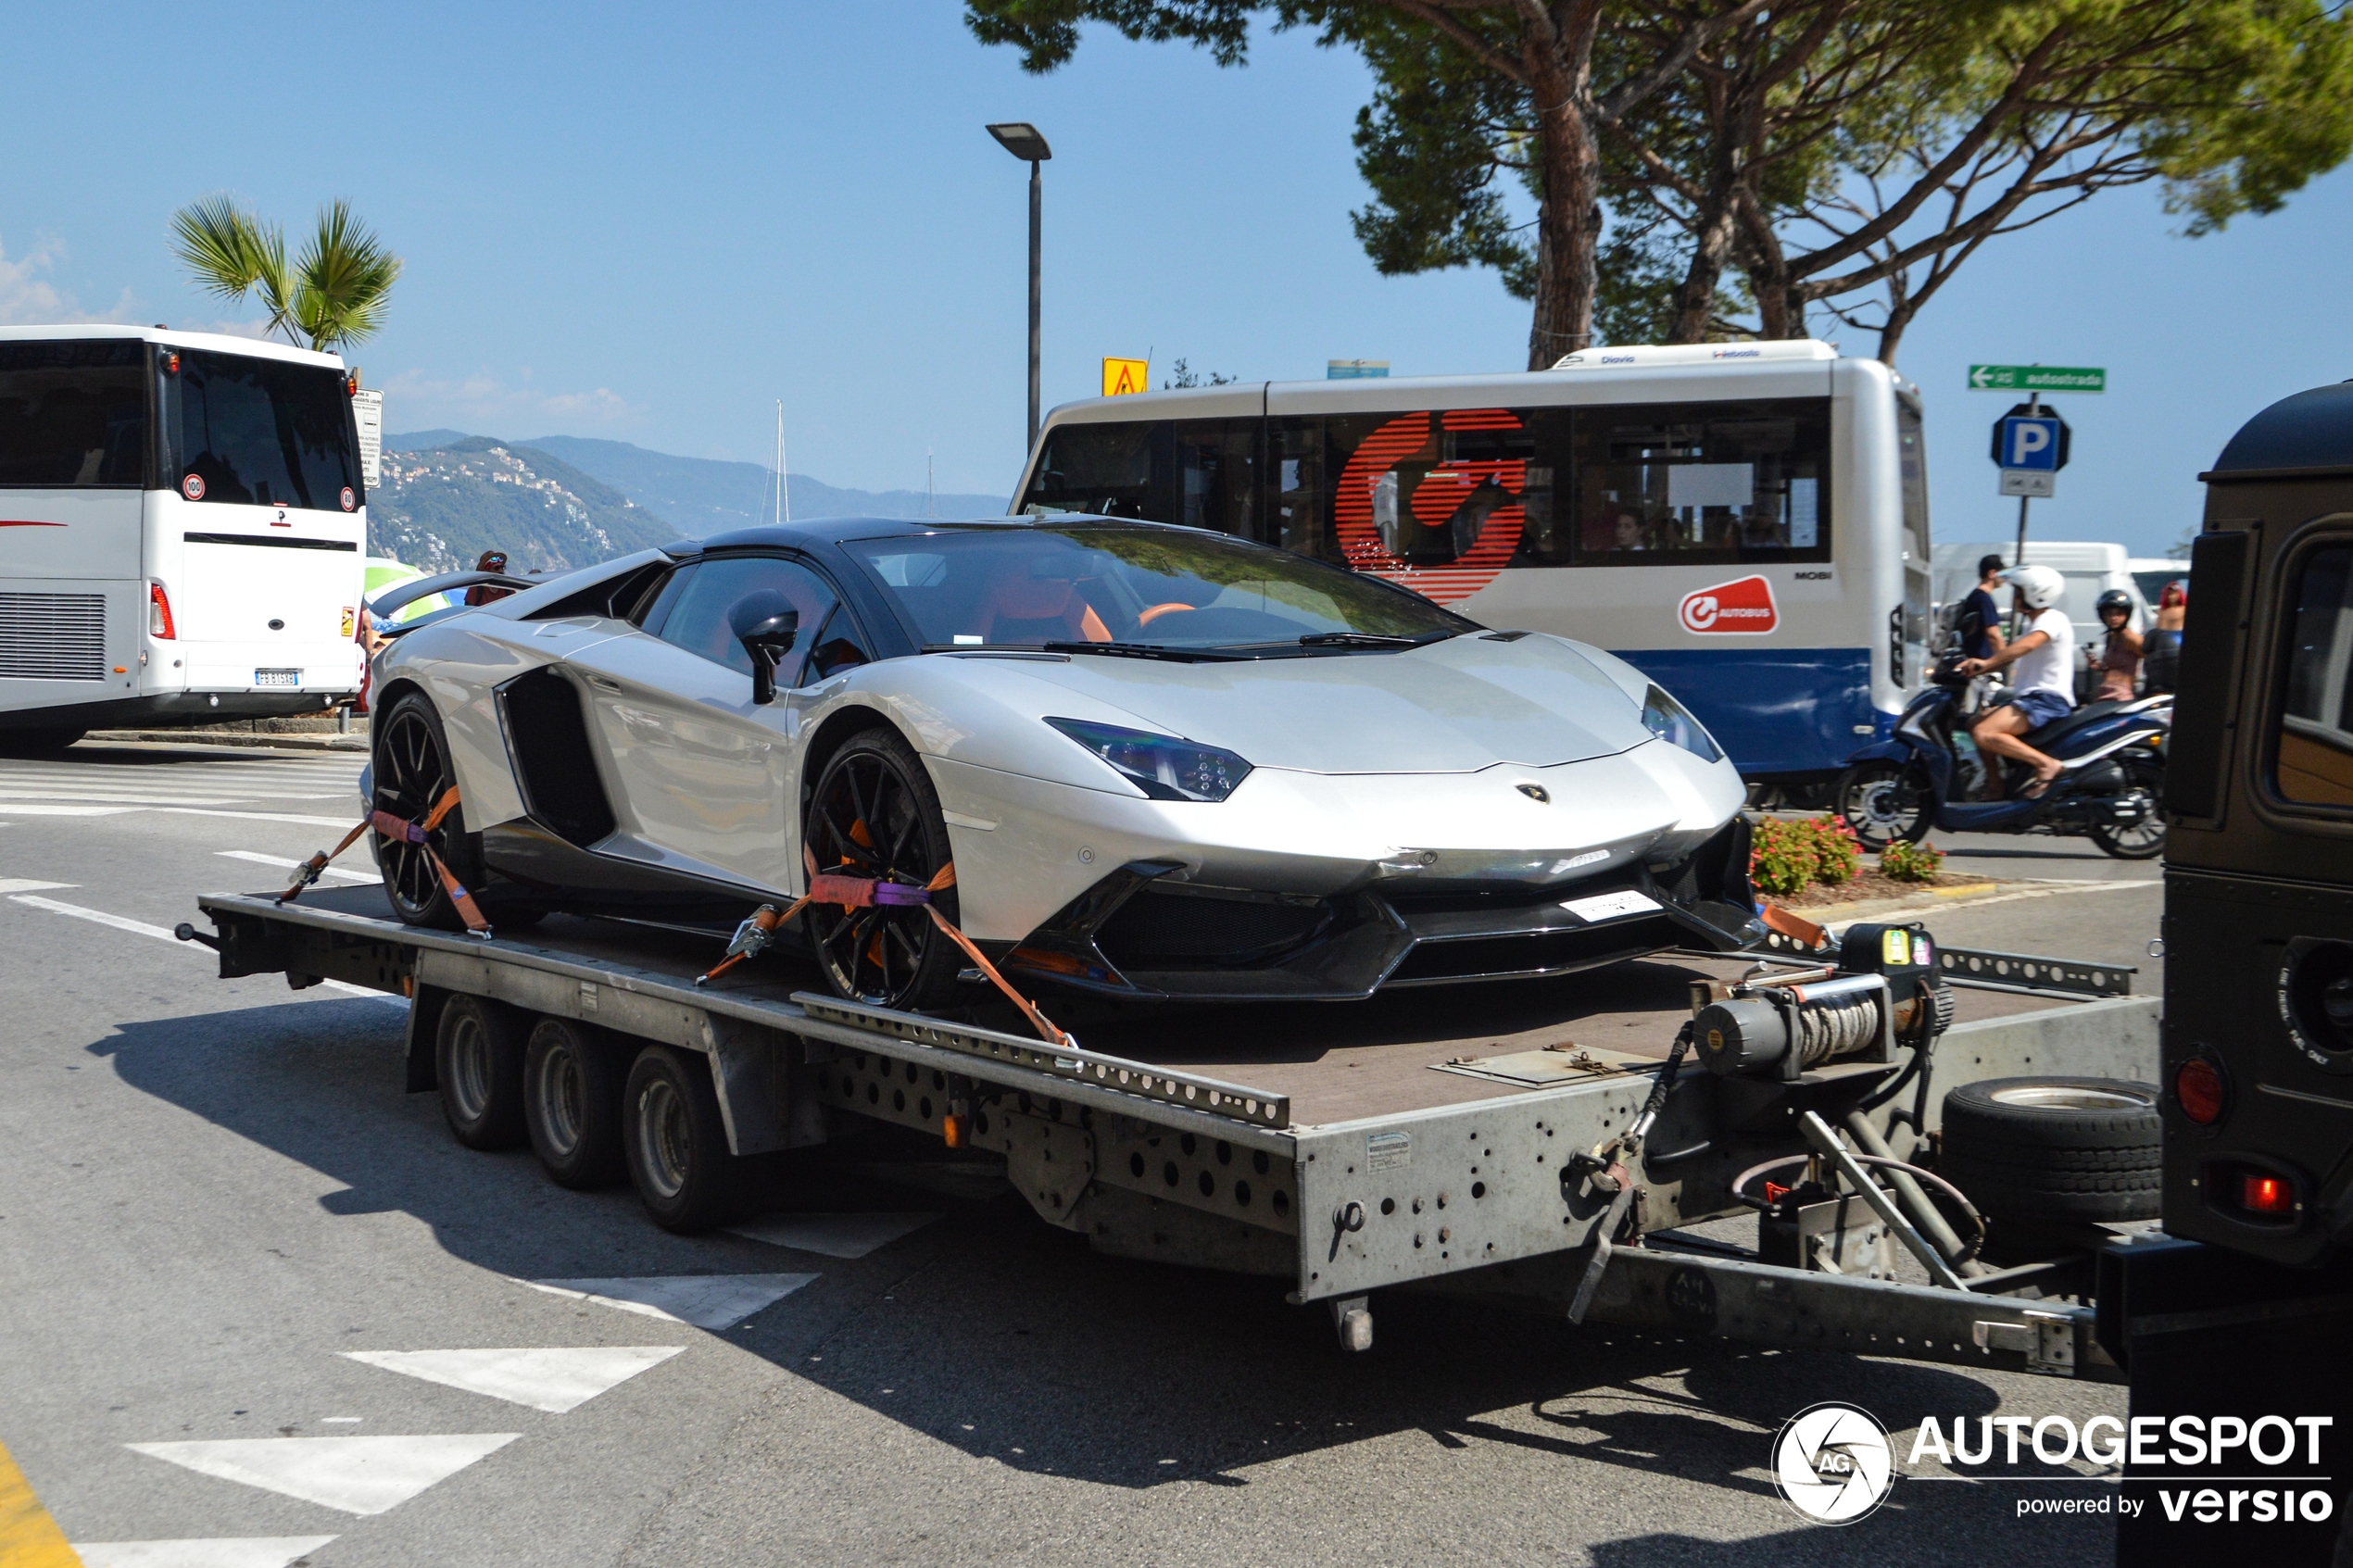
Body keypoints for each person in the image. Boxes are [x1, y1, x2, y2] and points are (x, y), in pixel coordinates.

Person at [1958, 564, 2074, 798]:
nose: (2015, 597)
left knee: (1984, 732)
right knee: (1973, 724)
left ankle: (2045, 765)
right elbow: (2009, 656)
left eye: (2019, 592)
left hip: (2047, 699)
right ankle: (1996, 786)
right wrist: (1973, 665)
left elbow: (2027, 646)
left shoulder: (2052, 619)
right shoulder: (2032, 622)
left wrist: (1987, 664)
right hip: (2031, 698)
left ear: (2035, 593)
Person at [2094, 588, 2145, 701]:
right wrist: (2099, 667)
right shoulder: (2110, 637)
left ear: (2127, 615)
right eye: (2109, 614)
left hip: (2122, 696)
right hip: (2104, 695)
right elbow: (2110, 674)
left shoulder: (2130, 638)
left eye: (2119, 613)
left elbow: (2153, 660)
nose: (2114, 618)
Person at [1958, 553, 2007, 661]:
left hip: (1971, 660)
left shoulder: (1973, 596)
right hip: (1980, 664)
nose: (2004, 578)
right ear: (1992, 573)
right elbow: (1993, 635)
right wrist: (2006, 659)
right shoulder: (1984, 599)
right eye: (2002, 573)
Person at [2144, 579, 2186, 693]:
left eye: (2174, 594)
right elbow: (2158, 626)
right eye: (2169, 594)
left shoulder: (2183, 609)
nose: (2172, 597)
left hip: (2178, 640)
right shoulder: (2161, 611)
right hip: (2163, 642)